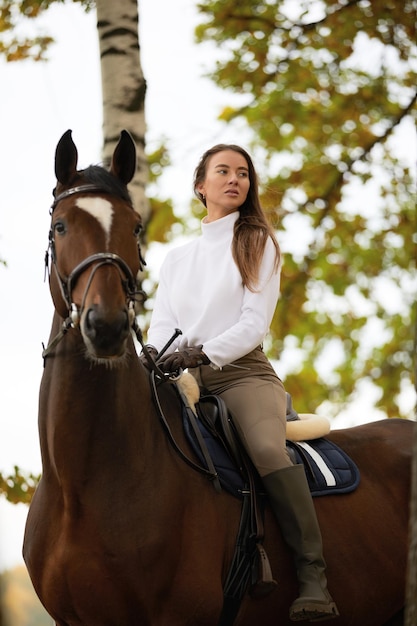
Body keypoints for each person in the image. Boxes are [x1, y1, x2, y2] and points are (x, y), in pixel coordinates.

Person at [142, 144, 339, 622]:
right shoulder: (176, 260)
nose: (235, 180)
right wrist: (151, 357)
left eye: (244, 173)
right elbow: (163, 327)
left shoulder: (258, 243)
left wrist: (202, 352)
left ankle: (314, 577)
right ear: (200, 186)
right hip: (186, 379)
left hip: (244, 373)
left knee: (268, 452)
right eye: (223, 172)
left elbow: (253, 324)